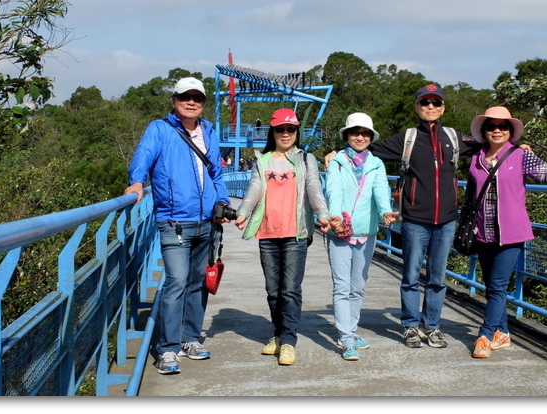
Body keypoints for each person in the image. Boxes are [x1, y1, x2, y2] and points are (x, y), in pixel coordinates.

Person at [324, 84, 525, 349]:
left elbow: (490, 144)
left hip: (447, 220)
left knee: (436, 278)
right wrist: (336, 153)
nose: (431, 107)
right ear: (417, 106)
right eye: (425, 102)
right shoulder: (406, 139)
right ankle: (409, 326)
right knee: (410, 276)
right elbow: (366, 147)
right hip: (415, 219)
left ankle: (432, 326)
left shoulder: (454, 138)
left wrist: (520, 146)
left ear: (443, 107)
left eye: (436, 103)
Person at [465, 106, 547, 359]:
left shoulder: (519, 156)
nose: (497, 130)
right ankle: (502, 334)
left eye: (503, 126)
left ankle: (484, 335)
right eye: (491, 126)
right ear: (484, 130)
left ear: (510, 131)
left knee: (497, 286)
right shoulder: (475, 156)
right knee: (493, 286)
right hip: (482, 232)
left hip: (511, 233)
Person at [124, 77, 234, 375]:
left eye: (197, 98)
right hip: (174, 221)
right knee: (176, 282)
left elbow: (216, 175)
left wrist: (221, 202)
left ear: (202, 103)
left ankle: (190, 338)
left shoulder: (209, 132)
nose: (191, 102)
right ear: (174, 101)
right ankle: (167, 348)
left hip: (205, 222)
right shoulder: (159, 129)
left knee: (198, 282)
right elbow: (143, 157)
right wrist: (136, 182)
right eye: (185, 97)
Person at [234, 108, 336, 366]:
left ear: (296, 131)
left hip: (296, 233)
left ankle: (289, 340)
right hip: (267, 231)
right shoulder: (263, 160)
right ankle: (278, 334)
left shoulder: (305, 159)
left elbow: (313, 187)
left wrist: (322, 213)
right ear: (273, 131)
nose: (286, 134)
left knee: (290, 290)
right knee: (273, 291)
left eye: (290, 129)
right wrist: (243, 211)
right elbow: (254, 188)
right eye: (281, 129)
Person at [324, 113, 399, 361]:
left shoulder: (376, 164)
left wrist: (387, 211)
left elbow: (381, 190)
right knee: (342, 287)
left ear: (370, 137)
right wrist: (334, 216)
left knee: (358, 287)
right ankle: (346, 339)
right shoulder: (336, 162)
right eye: (355, 132)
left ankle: (351, 331)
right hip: (341, 232)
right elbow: (332, 190)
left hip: (366, 232)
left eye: (365, 133)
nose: (359, 137)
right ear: (347, 135)